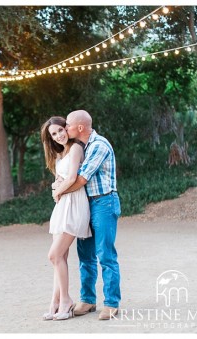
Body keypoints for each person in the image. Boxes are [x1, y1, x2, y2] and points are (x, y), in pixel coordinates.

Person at [54, 109, 121, 321]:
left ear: (80, 128)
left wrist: (59, 191)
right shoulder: (82, 147)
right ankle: (88, 299)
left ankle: (111, 303)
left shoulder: (99, 145)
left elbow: (81, 179)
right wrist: (58, 185)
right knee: (85, 254)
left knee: (105, 254)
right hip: (86, 203)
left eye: (68, 126)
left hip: (103, 202)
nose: (66, 129)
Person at [40, 116, 91, 321]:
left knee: (54, 255)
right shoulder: (60, 155)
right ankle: (55, 302)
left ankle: (66, 300)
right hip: (62, 206)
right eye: (54, 134)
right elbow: (59, 181)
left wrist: (56, 191)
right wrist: (56, 188)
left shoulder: (76, 148)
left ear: (67, 128)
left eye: (61, 130)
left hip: (75, 204)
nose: (59, 135)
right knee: (59, 258)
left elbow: (71, 179)